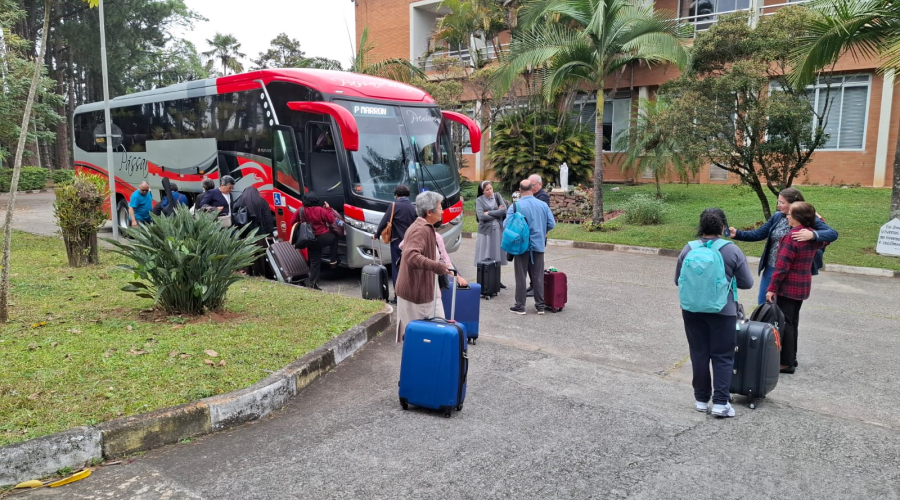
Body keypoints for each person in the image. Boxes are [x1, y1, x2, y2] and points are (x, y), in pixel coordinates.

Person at [675, 208, 754, 418]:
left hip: (692, 310)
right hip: (723, 311)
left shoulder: (688, 249)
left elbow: (678, 281)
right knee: (723, 356)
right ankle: (720, 403)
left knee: (699, 354)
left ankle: (701, 400)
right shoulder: (732, 250)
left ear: (701, 226)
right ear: (722, 227)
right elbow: (747, 283)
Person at [729, 187, 838, 305]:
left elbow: (832, 234)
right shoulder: (777, 217)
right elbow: (759, 234)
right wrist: (737, 234)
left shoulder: (809, 219)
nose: (778, 205)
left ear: (793, 204)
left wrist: (812, 235)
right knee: (764, 306)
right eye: (778, 202)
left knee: (784, 313)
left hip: (791, 275)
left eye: (782, 202)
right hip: (771, 269)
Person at [765, 201, 827, 375]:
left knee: (786, 324)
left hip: (788, 287)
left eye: (790, 214)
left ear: (798, 218)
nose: (787, 216)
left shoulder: (792, 237)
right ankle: (792, 357)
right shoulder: (812, 235)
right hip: (802, 285)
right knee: (793, 322)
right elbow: (827, 239)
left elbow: (782, 267)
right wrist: (817, 221)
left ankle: (786, 362)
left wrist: (771, 288)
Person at [394, 190, 454, 342]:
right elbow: (410, 255)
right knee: (423, 337)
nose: (442, 211)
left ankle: (425, 364)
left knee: (429, 335)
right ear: (429, 211)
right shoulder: (421, 229)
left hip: (421, 290)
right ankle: (420, 365)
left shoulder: (423, 226)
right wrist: (437, 266)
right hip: (416, 293)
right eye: (440, 208)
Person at [505, 179, 555, 315]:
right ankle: (540, 306)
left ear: (520, 190)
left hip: (521, 247)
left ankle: (520, 306)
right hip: (538, 245)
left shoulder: (515, 206)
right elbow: (551, 224)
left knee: (521, 276)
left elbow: (507, 226)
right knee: (538, 276)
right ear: (532, 189)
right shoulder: (543, 205)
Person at [374, 185, 418, 302]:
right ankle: (410, 295)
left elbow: (384, 222)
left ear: (396, 195)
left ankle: (398, 297)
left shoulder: (393, 206)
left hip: (397, 243)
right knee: (410, 268)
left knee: (396, 268)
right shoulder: (413, 207)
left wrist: (377, 234)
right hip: (411, 242)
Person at [289, 191, 338, 290]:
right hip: (322, 237)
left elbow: (292, 222)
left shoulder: (301, 210)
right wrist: (328, 208)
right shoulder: (320, 210)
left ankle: (313, 283)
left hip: (309, 239)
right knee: (334, 238)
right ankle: (333, 260)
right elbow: (331, 220)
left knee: (315, 261)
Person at [234, 186, 275, 277]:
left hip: (245, 234)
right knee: (260, 255)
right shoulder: (262, 202)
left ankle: (247, 272)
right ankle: (260, 273)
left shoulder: (239, 202)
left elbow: (235, 217)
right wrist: (270, 233)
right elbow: (268, 218)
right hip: (260, 234)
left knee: (247, 254)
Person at [474, 181, 508, 288]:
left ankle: (497, 280)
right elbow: (481, 217)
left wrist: (488, 212)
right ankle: (485, 280)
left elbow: (504, 211)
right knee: (486, 254)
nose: (490, 191)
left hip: (497, 229)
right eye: (487, 190)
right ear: (482, 191)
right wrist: (496, 213)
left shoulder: (497, 196)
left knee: (496, 254)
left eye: (491, 188)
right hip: (485, 232)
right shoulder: (479, 200)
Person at [526, 174, 550, 296]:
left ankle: (537, 288)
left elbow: (544, 218)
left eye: (533, 185)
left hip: (539, 235)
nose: (531, 188)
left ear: (540, 185)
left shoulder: (543, 197)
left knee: (536, 263)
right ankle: (532, 285)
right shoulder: (532, 196)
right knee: (529, 263)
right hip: (529, 235)